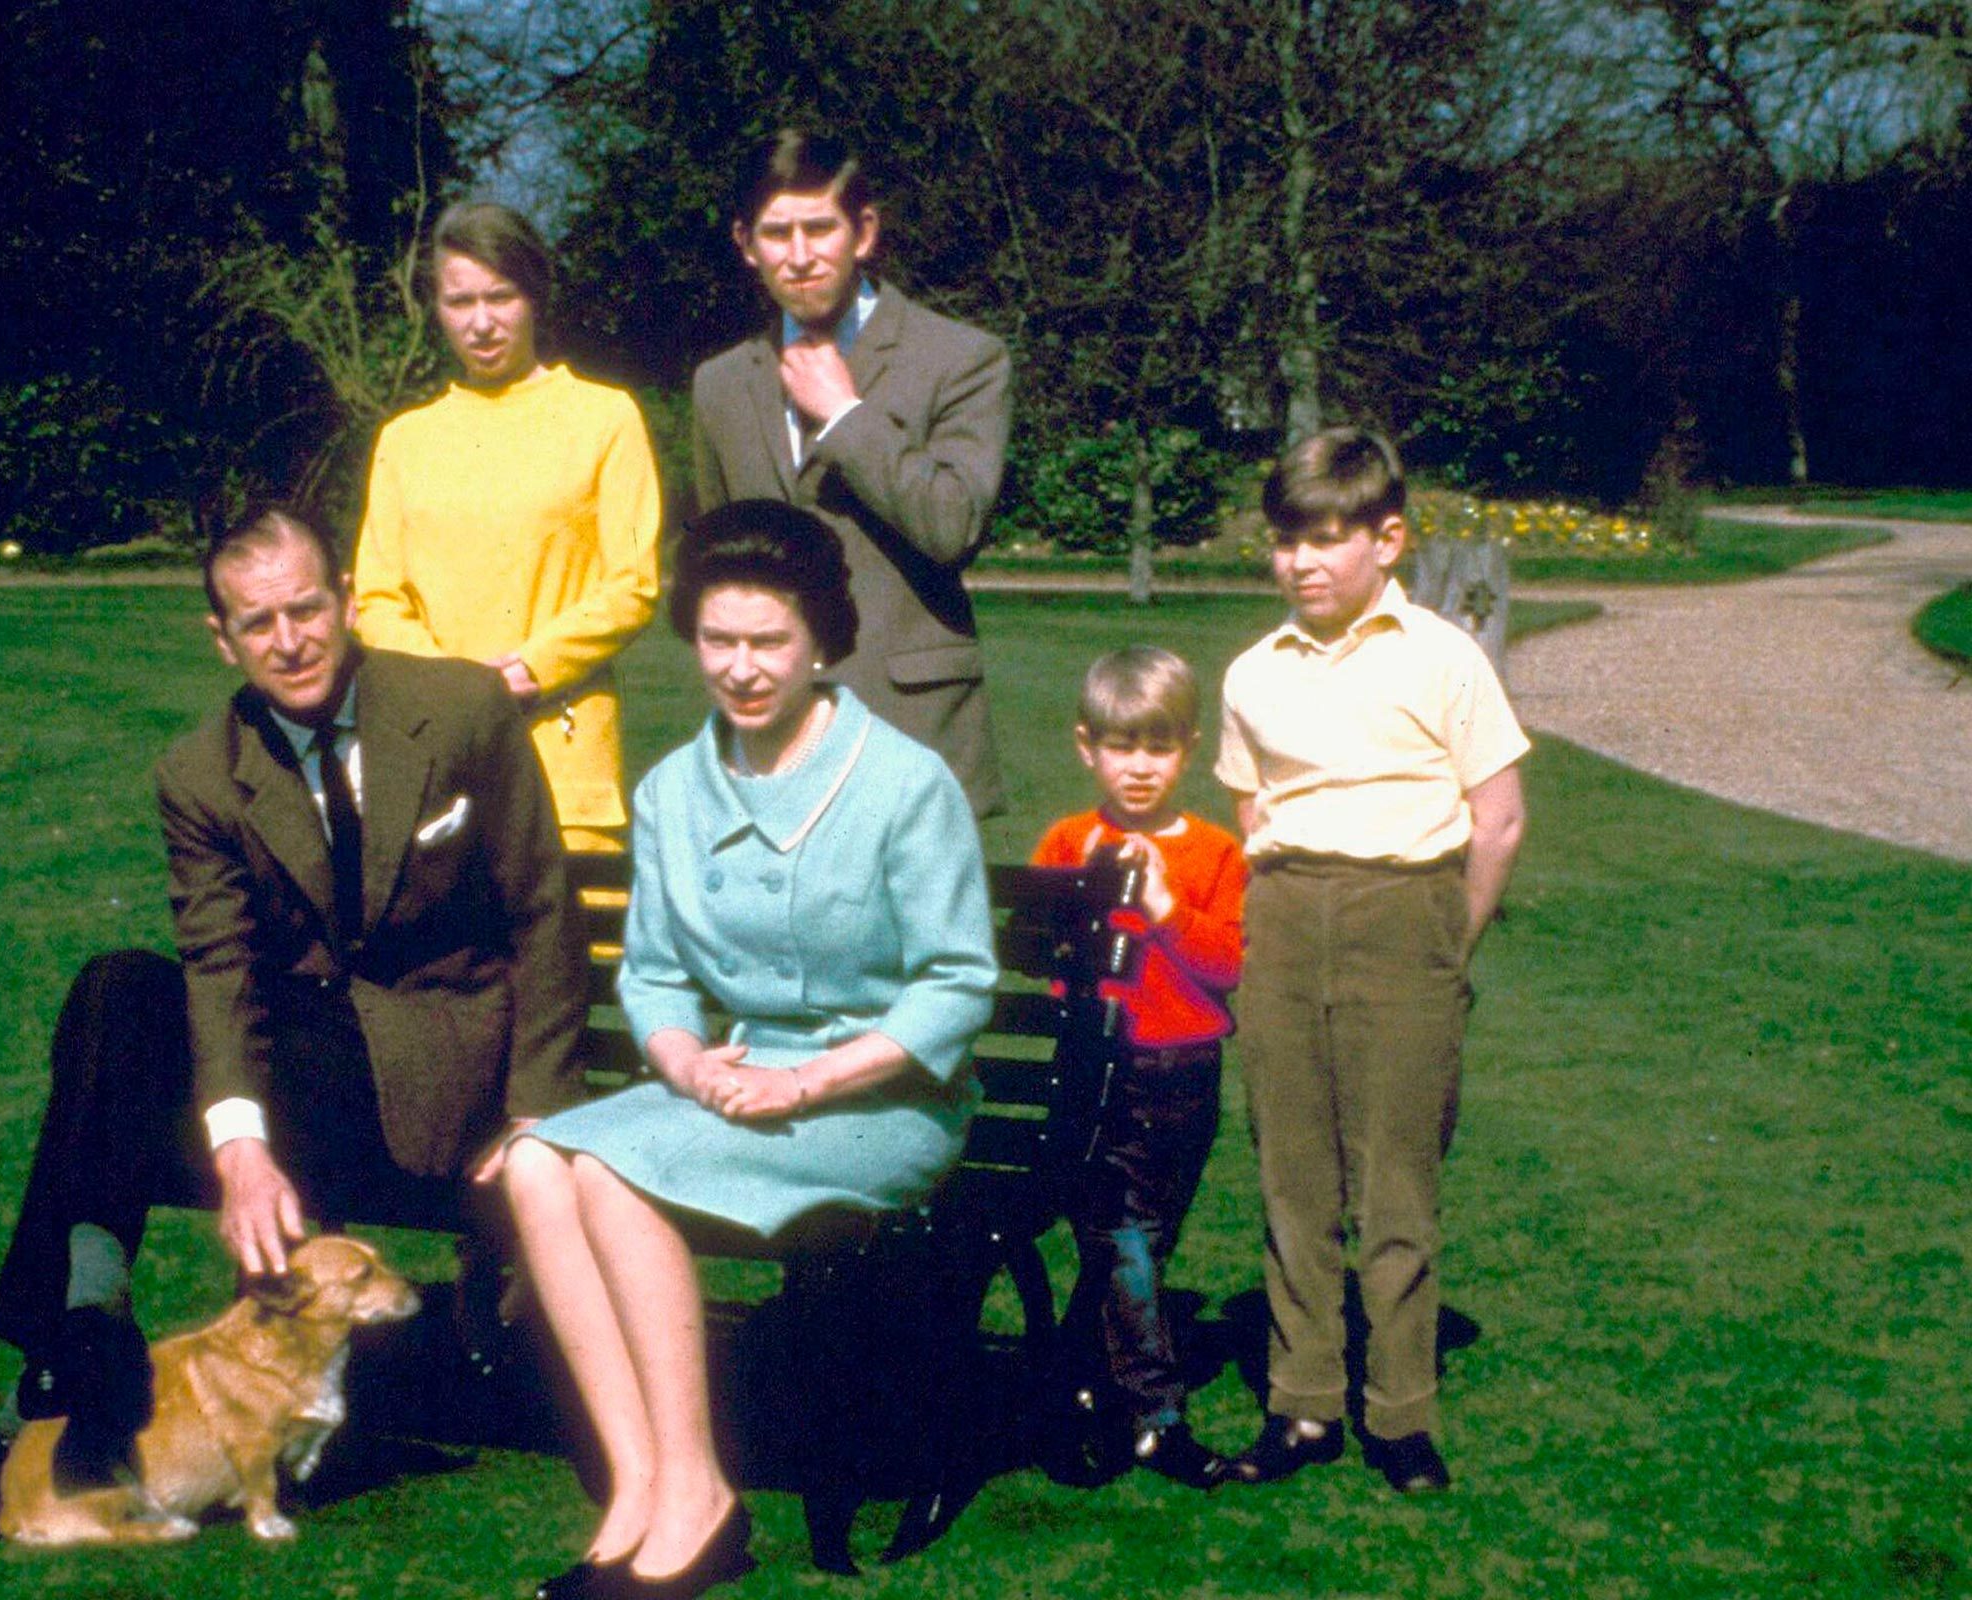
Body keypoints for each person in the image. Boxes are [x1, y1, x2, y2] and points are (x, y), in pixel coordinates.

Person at [0, 506, 587, 1546]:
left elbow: (545, 911)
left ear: (346, 599)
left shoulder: (463, 708)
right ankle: (83, 1332)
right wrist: (241, 1146)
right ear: (223, 639)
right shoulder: (201, 770)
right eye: (259, 624)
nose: (290, 639)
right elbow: (217, 967)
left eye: (307, 609)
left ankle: (32, 1415)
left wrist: (541, 1113)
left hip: (443, 1073)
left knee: (118, 1083)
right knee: (119, 989)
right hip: (306, 1072)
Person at [499, 499, 996, 1600]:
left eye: (769, 641)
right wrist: (688, 1064)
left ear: (823, 639)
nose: (743, 667)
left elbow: (956, 983)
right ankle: (640, 1487)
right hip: (731, 1087)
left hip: (883, 1101)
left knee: (616, 1178)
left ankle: (700, 1498)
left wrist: (812, 1076)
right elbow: (656, 973)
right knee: (538, 1163)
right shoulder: (676, 789)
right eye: (718, 640)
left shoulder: (905, 784)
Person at [1212, 428, 1529, 1495]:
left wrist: (1446, 940)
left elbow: (1498, 820)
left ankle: (1400, 1414)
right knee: (1294, 1179)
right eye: (1284, 541)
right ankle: (1302, 1407)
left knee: (1396, 1183)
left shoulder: (1444, 657)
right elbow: (1254, 810)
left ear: (1388, 540)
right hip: (1288, 917)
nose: (1301, 562)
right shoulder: (1253, 673)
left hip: (1410, 916)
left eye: (1326, 539)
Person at [690, 128, 1010, 817]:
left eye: (819, 229)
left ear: (862, 233)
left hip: (911, 730)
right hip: (766, 743)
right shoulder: (719, 385)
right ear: (746, 245)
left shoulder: (961, 357)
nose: (800, 256)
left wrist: (844, 417)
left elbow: (954, 524)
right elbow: (718, 567)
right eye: (778, 234)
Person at [356, 200, 662, 853]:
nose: (482, 322)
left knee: (581, 952)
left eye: (502, 296)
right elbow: (378, 599)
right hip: (438, 754)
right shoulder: (405, 440)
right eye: (460, 301)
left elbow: (632, 585)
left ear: (535, 297)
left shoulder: (605, 418)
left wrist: (529, 669)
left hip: (565, 750)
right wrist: (457, 690)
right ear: (435, 307)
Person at [1029, 646, 1246, 1487]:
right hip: (1099, 1073)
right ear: (1088, 747)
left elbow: (1228, 965)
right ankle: (1157, 1415)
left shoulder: (1218, 852)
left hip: (1185, 1073)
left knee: (1145, 1246)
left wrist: (1164, 911)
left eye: (1159, 747)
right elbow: (1044, 963)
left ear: (1188, 749)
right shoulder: (1068, 840)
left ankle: (1077, 1379)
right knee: (1125, 1244)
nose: (1140, 767)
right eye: (1122, 746)